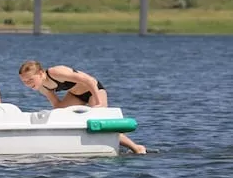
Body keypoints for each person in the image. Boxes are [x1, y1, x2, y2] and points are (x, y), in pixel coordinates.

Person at [18, 60, 146, 154]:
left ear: (40, 73)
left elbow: (89, 80)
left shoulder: (56, 72)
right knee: (58, 116)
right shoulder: (42, 87)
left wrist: (98, 102)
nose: (28, 85)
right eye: (24, 82)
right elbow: (57, 106)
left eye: (30, 80)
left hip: (93, 90)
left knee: (98, 121)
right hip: (75, 94)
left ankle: (136, 148)